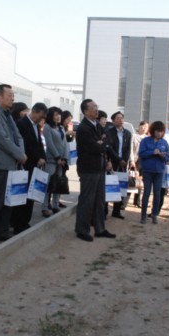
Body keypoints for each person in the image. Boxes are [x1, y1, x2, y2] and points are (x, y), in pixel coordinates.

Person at [0, 84, 26, 248]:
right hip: (1, 165)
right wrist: (20, 155)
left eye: (13, 96)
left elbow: (18, 137)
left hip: (13, 164)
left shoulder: (8, 116)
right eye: (9, 95)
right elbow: (3, 141)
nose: (12, 98)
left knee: (9, 201)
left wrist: (21, 153)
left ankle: (2, 231)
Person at [74, 99, 116, 242]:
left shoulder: (97, 125)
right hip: (88, 169)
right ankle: (82, 230)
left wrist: (102, 143)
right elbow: (94, 147)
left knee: (99, 200)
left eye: (97, 107)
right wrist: (101, 143)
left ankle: (100, 229)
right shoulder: (83, 128)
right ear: (86, 111)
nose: (96, 110)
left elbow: (108, 141)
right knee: (87, 200)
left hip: (100, 167)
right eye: (93, 108)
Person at [14, 103, 47, 228]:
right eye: (40, 116)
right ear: (34, 112)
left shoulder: (36, 126)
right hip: (26, 163)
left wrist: (43, 157)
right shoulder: (21, 124)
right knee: (23, 195)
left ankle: (26, 221)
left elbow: (39, 144)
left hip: (35, 165)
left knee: (31, 194)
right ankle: (19, 223)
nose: (41, 119)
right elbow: (26, 145)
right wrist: (37, 157)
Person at [138, 121, 169, 224]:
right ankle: (143, 215)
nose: (159, 133)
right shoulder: (145, 141)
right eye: (157, 131)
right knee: (146, 193)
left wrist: (163, 156)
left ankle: (154, 214)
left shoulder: (164, 143)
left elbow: (168, 158)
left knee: (157, 193)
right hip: (147, 170)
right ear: (153, 131)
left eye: (161, 132)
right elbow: (141, 154)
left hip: (159, 171)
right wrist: (152, 152)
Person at [42, 106, 69, 218]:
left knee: (58, 183)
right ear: (51, 116)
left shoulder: (61, 128)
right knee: (48, 184)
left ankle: (55, 205)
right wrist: (57, 157)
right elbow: (50, 144)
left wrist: (64, 158)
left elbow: (65, 144)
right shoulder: (47, 127)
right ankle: (45, 207)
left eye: (59, 114)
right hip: (51, 160)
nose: (58, 117)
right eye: (56, 115)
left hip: (61, 161)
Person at [106, 111, 133, 219]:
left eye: (122, 118)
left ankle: (116, 211)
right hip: (112, 162)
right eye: (117, 118)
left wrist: (124, 160)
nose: (120, 120)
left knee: (121, 187)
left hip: (123, 164)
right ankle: (105, 210)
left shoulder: (127, 133)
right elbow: (109, 148)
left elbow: (128, 149)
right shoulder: (109, 133)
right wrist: (118, 159)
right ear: (113, 121)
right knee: (109, 186)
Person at [131, 120, 149, 207]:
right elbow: (131, 149)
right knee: (131, 179)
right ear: (139, 127)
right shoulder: (134, 136)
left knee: (140, 181)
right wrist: (131, 160)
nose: (143, 128)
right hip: (135, 160)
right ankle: (124, 201)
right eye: (142, 126)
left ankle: (137, 201)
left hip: (144, 161)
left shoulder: (148, 138)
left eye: (146, 127)